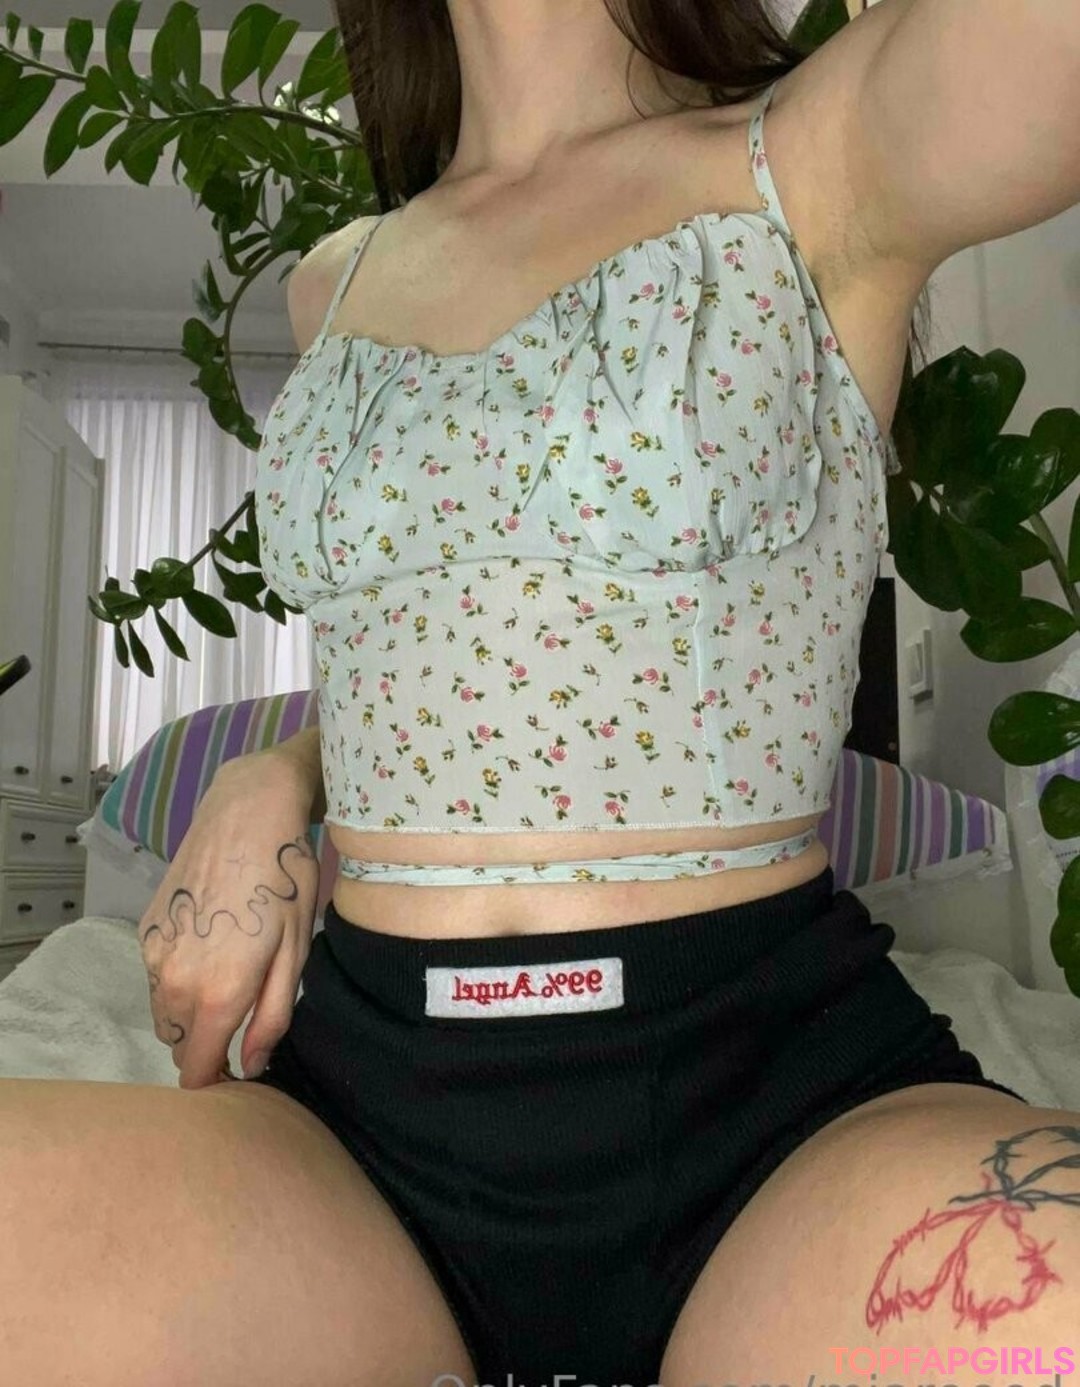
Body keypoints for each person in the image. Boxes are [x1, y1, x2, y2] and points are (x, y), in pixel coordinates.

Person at [4, 2, 1080, 1384]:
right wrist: (279, 768)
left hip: (774, 1102)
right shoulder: (332, 285)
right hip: (359, 1120)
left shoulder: (826, 152)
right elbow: (453, 631)